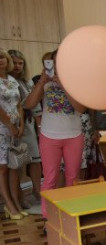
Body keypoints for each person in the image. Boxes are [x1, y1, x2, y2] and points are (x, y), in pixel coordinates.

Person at [24, 49, 86, 218]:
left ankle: (72, 215)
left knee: (72, 178)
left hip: (73, 136)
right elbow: (29, 104)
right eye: (54, 62)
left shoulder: (76, 81)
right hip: (49, 136)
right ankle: (48, 218)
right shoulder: (43, 81)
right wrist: (42, 82)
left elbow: (81, 108)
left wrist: (64, 84)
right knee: (50, 179)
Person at [8, 49, 42, 208]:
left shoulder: (27, 82)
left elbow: (35, 107)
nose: (17, 66)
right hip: (11, 126)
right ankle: (19, 195)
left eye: (20, 63)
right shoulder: (6, 82)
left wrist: (39, 127)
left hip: (28, 126)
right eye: (14, 63)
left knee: (35, 160)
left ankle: (37, 190)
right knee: (17, 163)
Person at [0, 49, 26, 220]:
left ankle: (16, 203)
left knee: (14, 166)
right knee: (2, 167)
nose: (0, 60)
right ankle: (8, 205)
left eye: (2, 57)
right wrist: (9, 125)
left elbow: (18, 105)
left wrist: (21, 124)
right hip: (2, 129)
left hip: (15, 129)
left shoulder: (12, 80)